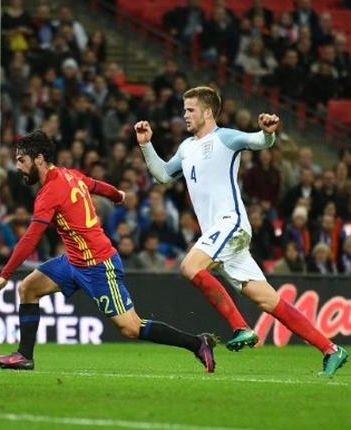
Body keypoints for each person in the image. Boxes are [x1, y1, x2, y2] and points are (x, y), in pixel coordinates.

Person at [135, 86, 347, 377]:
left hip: (230, 223)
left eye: (190, 109)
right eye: (184, 109)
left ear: (207, 112)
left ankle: (240, 327)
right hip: (220, 234)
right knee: (267, 300)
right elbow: (161, 175)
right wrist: (146, 145)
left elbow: (258, 141)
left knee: (190, 266)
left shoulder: (224, 137)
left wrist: (268, 132)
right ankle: (331, 350)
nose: (185, 115)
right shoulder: (186, 147)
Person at [0, 130, 217, 372]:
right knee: (28, 288)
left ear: (38, 159)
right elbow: (95, 185)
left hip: (98, 264)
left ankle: (197, 343)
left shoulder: (49, 193)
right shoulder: (69, 175)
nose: (18, 166)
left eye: (21, 160)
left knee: (131, 327)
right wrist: (118, 195)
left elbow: (30, 239)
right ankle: (24, 355)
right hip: (73, 261)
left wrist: (5, 275)